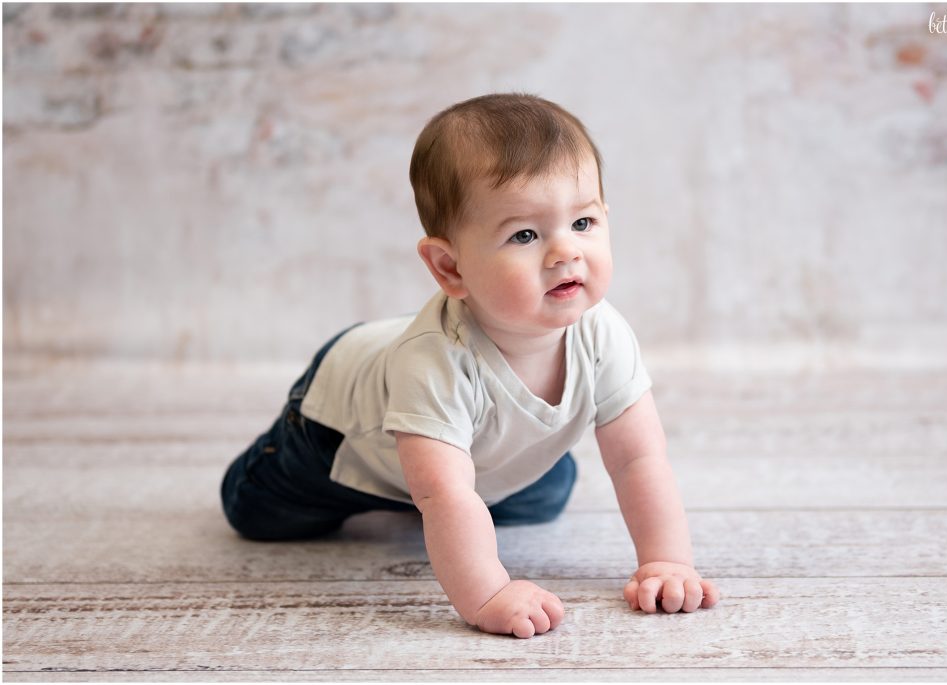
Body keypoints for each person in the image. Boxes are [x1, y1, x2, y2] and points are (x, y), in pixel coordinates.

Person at [221, 93, 720, 638]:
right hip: (334, 425)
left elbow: (638, 459)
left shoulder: (603, 331)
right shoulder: (436, 363)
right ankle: (295, 470)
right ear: (449, 266)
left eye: (583, 222)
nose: (565, 253)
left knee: (547, 494)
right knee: (263, 516)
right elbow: (446, 498)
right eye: (525, 235)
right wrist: (488, 594)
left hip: (487, 453)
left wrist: (666, 561)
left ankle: (448, 468)